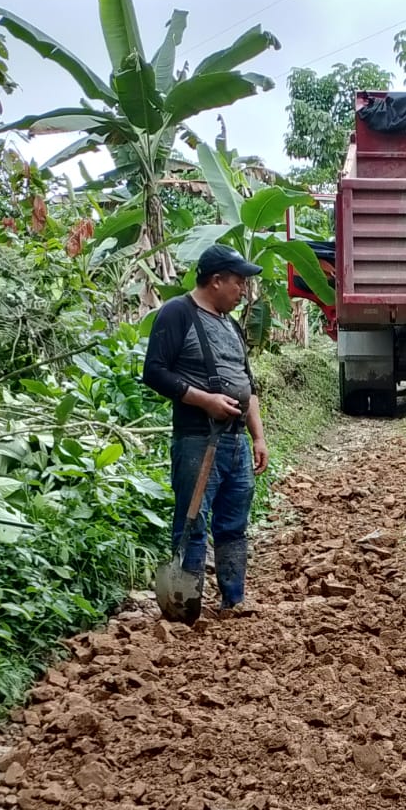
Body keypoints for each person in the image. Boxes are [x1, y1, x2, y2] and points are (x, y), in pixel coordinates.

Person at [142, 244, 269, 615]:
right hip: (198, 439)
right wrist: (205, 400)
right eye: (238, 282)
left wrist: (258, 437)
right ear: (216, 281)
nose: (243, 290)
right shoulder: (177, 313)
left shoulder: (230, 324)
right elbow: (154, 372)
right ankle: (185, 609)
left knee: (234, 524)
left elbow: (248, 384)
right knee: (192, 522)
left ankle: (233, 599)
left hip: (235, 441)